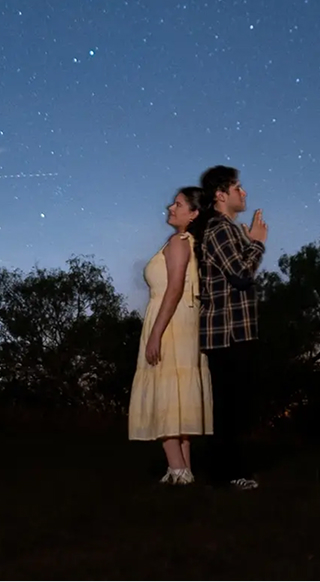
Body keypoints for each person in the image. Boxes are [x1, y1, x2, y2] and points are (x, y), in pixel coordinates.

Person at [188, 165, 267, 491]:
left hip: (234, 331)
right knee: (230, 407)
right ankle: (229, 473)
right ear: (221, 195)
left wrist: (247, 242)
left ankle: (228, 472)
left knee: (234, 406)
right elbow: (241, 275)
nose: (244, 192)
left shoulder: (228, 230)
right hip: (227, 332)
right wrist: (257, 243)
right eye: (237, 188)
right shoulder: (220, 229)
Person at [127, 186, 213, 485]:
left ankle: (177, 468)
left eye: (178, 204)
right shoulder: (191, 243)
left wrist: (155, 334)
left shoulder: (179, 242)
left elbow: (175, 288)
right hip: (182, 319)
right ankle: (183, 471)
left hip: (170, 320)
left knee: (164, 388)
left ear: (194, 213)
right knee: (177, 392)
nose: (170, 208)